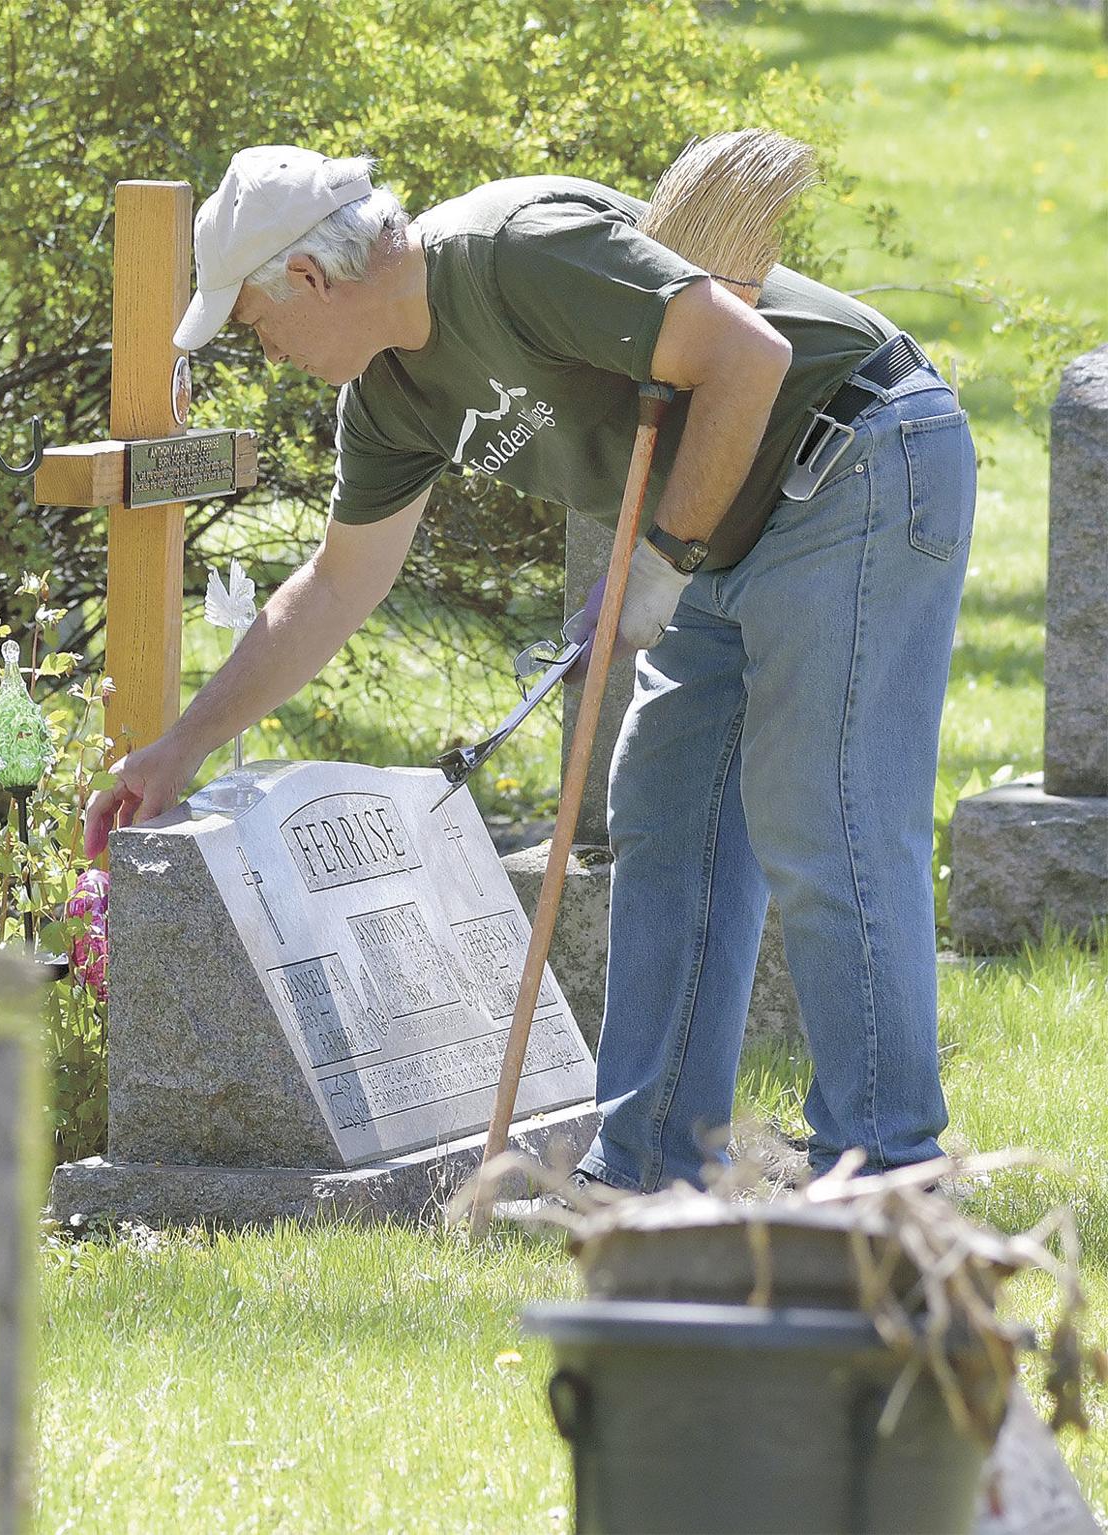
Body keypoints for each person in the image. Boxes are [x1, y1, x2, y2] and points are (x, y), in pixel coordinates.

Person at [84, 144, 976, 1186]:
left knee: (822, 812)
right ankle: (649, 1165)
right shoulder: (388, 401)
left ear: (311, 280)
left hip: (855, 451)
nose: (266, 347)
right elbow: (333, 588)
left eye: (256, 322)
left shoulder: (513, 251)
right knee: (667, 812)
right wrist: (183, 744)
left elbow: (750, 358)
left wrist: (659, 562)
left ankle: (885, 1173)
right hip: (714, 527)